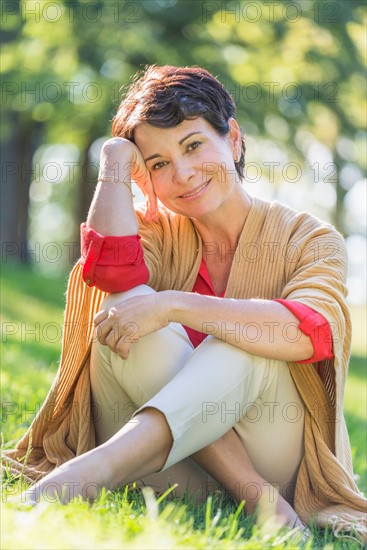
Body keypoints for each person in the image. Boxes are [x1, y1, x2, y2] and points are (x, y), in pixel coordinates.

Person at [4, 65, 366, 543]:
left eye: (194, 146)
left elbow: (308, 333)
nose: (183, 174)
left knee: (245, 337)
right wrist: (113, 160)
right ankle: (260, 505)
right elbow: (107, 274)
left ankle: (88, 474)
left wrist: (176, 304)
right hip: (175, 471)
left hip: (273, 456)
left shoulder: (310, 238)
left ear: (232, 139)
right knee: (128, 304)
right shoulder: (155, 231)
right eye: (158, 163)